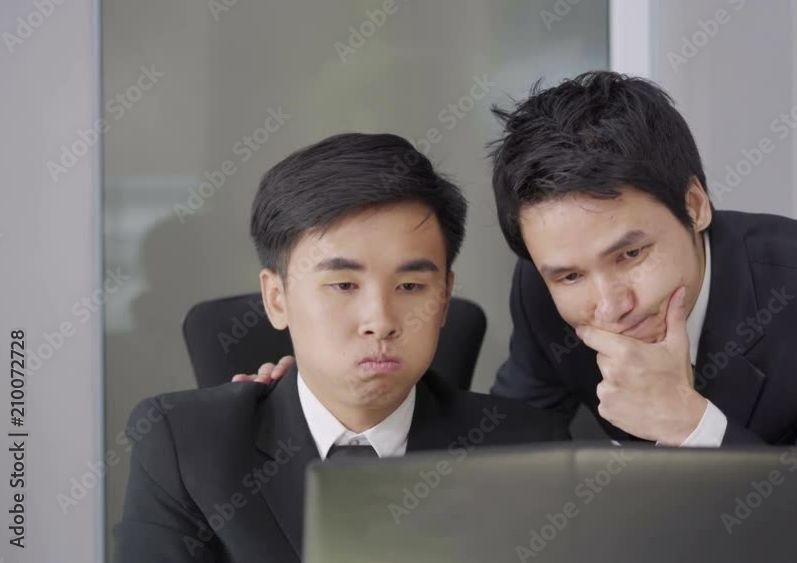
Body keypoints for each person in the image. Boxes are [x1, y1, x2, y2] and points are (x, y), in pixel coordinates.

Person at [235, 72, 797, 562]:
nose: (611, 303)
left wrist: (691, 424)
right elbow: (499, 446)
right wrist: (331, 397)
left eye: (631, 253)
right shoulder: (544, 292)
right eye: (569, 275)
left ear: (695, 204)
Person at [114, 133, 569, 563]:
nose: (380, 321)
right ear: (276, 298)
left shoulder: (526, 450)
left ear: (444, 298)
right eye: (344, 285)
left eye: (411, 286)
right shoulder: (182, 446)